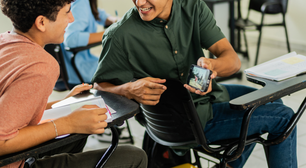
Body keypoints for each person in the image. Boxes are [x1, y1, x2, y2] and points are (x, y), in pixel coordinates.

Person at [91, 0, 297, 168]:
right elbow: (99, 87)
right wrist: (126, 89)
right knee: (284, 118)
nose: (139, 3)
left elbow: (232, 61)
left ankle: (227, 166)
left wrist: (212, 66)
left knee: (274, 101)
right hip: (182, 123)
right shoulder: (119, 35)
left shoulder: (193, 7)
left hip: (208, 98)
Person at [0, 0, 147, 168]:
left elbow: (11, 111)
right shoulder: (40, 66)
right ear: (41, 22)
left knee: (78, 133)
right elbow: (2, 141)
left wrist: (63, 103)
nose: (71, 19)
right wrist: (67, 123)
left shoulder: (5, 41)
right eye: (67, 12)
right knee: (135, 156)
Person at [62, 0, 118, 88]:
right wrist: (109, 33)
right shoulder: (81, 2)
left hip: (77, 66)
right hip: (79, 69)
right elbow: (71, 39)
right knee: (125, 69)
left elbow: (97, 13)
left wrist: (116, 20)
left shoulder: (85, 3)